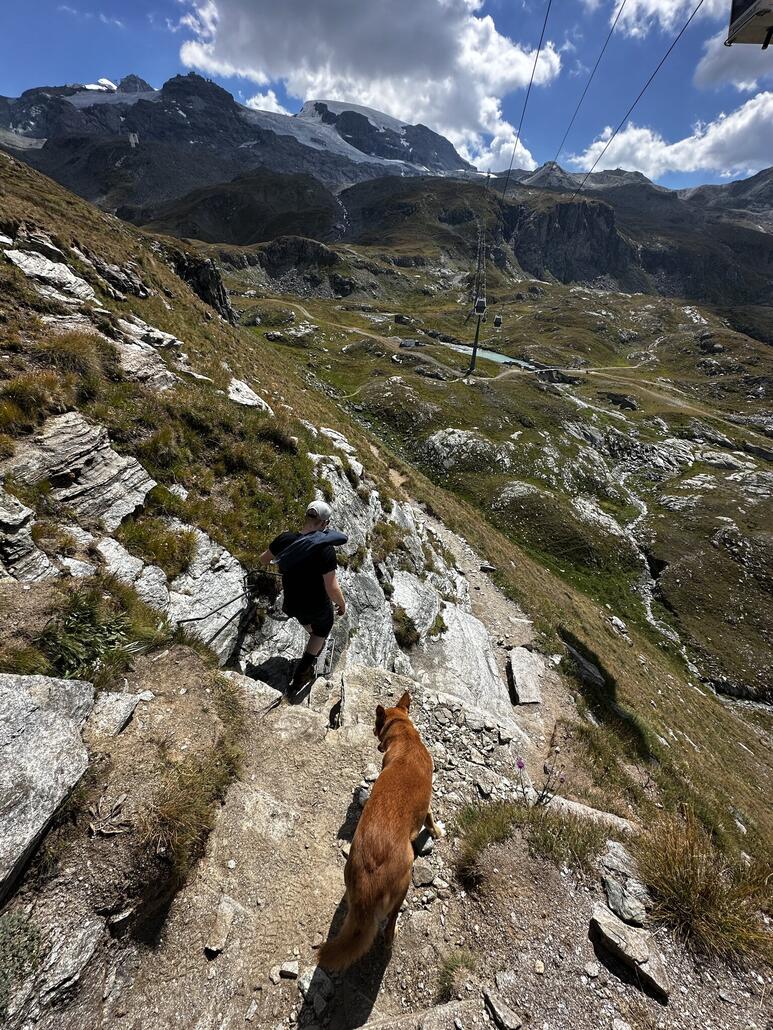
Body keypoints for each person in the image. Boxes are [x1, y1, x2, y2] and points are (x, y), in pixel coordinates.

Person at [259, 500, 346, 694]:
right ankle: (302, 672)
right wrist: (342, 604)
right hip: (316, 604)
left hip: (292, 601)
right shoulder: (325, 549)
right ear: (324, 524)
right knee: (321, 631)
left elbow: (264, 559)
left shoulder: (285, 539)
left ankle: (311, 640)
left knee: (306, 621)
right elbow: (331, 587)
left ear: (306, 517)